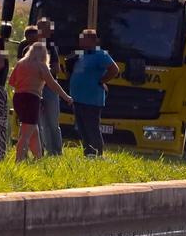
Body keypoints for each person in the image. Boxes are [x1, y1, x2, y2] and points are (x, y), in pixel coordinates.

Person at [8, 42, 73, 162]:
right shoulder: (41, 66)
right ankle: (19, 160)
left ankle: (39, 159)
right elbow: (53, 84)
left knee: (33, 130)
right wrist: (66, 97)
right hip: (32, 99)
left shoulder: (20, 63)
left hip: (18, 98)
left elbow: (11, 82)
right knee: (26, 134)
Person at [69, 29, 119, 157]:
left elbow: (114, 69)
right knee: (82, 129)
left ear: (92, 40)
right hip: (78, 98)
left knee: (92, 128)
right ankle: (88, 154)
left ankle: (97, 154)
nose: (80, 40)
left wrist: (102, 80)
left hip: (91, 99)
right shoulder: (81, 54)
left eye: (83, 38)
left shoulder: (100, 54)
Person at [36, 17, 63, 156]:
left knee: (52, 121)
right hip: (34, 88)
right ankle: (40, 151)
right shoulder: (26, 45)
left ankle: (56, 152)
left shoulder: (51, 46)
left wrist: (43, 73)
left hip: (49, 87)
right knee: (39, 123)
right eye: (44, 28)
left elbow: (57, 68)